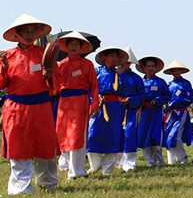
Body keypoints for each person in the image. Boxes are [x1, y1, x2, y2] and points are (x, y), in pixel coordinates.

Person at [0, 14, 59, 194]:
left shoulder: (44, 54)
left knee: (45, 145)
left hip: (41, 106)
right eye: (25, 30)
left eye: (33, 31)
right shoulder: (7, 56)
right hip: (16, 108)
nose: (29, 34)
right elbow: (1, 84)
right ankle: (21, 187)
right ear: (16, 34)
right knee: (19, 147)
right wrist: (2, 67)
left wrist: (49, 76)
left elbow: (56, 83)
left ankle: (47, 182)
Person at [53, 31, 99, 179]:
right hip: (63, 104)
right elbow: (53, 86)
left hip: (80, 103)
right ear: (66, 47)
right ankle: (64, 164)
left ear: (81, 47)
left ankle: (77, 171)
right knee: (63, 134)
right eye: (71, 44)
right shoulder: (59, 65)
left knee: (77, 135)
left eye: (76, 44)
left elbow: (94, 86)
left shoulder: (87, 64)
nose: (73, 46)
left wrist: (95, 103)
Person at [87, 45, 129, 176]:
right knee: (93, 134)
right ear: (104, 57)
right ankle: (95, 165)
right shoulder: (96, 71)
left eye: (116, 56)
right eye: (111, 56)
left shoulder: (120, 75)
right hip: (98, 105)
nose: (114, 59)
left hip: (115, 107)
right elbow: (88, 87)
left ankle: (107, 168)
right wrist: (93, 100)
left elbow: (125, 91)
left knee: (113, 135)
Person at [136, 56, 169, 167]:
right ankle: (149, 161)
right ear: (144, 67)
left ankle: (159, 161)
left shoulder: (161, 82)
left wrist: (158, 100)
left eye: (152, 66)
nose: (150, 68)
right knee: (143, 136)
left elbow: (167, 96)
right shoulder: (140, 81)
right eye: (148, 66)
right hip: (143, 112)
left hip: (156, 112)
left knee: (155, 136)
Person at [117, 48, 145, 172]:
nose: (123, 63)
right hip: (115, 108)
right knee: (116, 134)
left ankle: (129, 162)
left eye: (126, 61)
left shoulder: (137, 78)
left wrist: (131, 100)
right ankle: (116, 161)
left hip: (131, 110)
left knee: (129, 134)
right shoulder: (114, 75)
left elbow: (142, 96)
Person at [163, 60, 193, 165]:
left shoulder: (186, 83)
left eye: (178, 70)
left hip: (181, 113)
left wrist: (177, 102)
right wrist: (165, 106)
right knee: (168, 135)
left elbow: (189, 99)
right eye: (173, 70)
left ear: (181, 71)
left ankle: (183, 158)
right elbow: (165, 98)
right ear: (171, 72)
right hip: (170, 114)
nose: (176, 72)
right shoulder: (169, 84)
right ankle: (171, 161)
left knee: (176, 135)